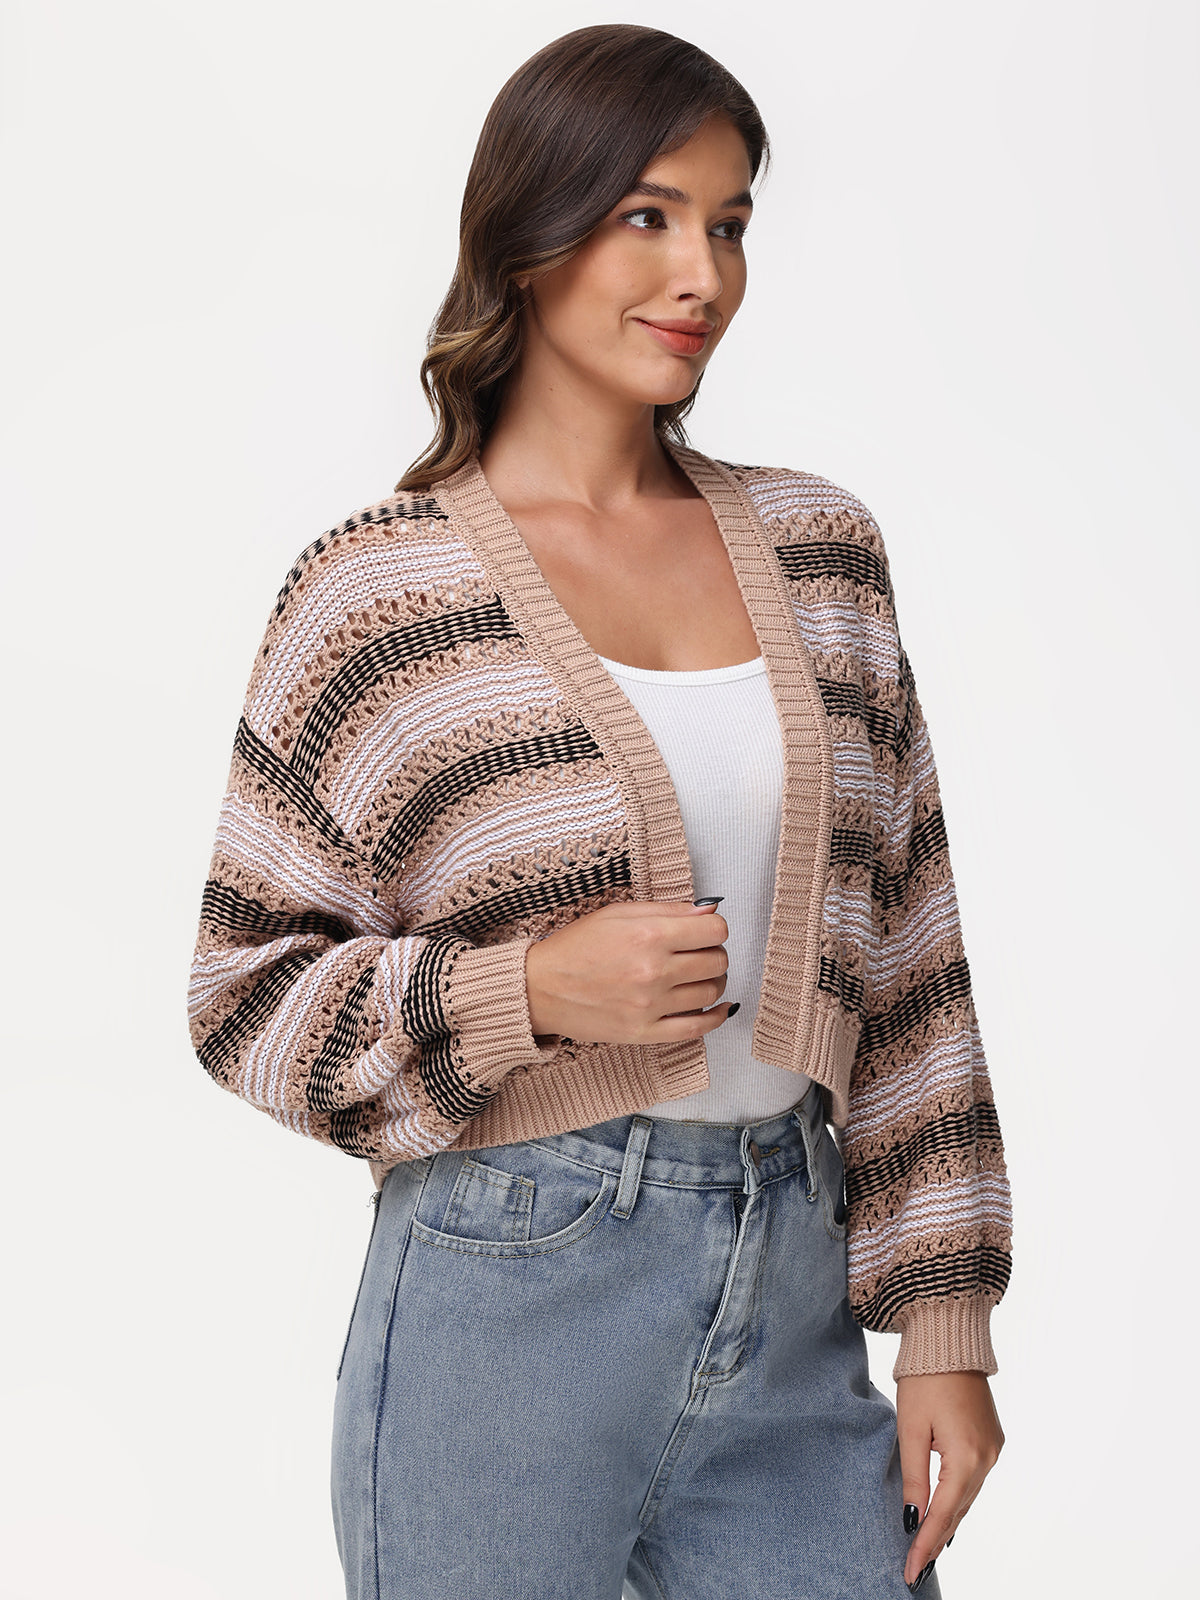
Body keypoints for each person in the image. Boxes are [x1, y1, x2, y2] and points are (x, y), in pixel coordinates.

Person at [187, 23, 1011, 1600]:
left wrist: (946, 1326)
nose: (703, 274)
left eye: (730, 222)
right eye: (648, 215)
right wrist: (528, 990)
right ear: (529, 233)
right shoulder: (376, 593)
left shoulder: (823, 553)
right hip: (502, 1296)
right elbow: (244, 1000)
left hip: (794, 1281)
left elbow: (913, 961)